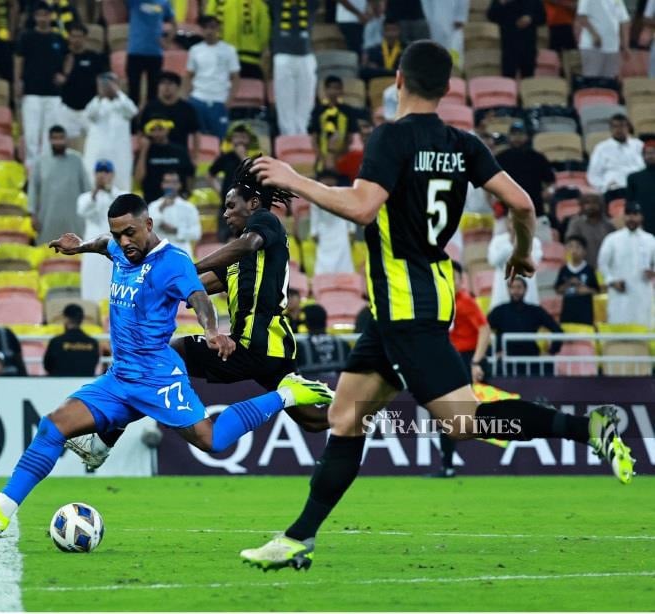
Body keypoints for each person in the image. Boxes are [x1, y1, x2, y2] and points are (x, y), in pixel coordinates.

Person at [238, 39, 634, 571]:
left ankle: (587, 427)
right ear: (447, 88)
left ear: (397, 80)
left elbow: (361, 208)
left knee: (463, 424)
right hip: (410, 304)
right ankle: (297, 539)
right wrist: (520, 253)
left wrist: (295, 179)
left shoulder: (391, 138)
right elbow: (521, 202)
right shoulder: (462, 143)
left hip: (406, 308)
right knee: (346, 416)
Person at [0, 193, 334, 534]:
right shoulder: (119, 247)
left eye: (130, 232)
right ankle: (3, 508)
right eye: (118, 233)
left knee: (212, 440)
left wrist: (213, 329)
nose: (123, 241)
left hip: (156, 376)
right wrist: (80, 246)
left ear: (148, 225)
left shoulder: (174, 261)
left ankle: (286, 395)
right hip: (120, 377)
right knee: (54, 426)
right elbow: (105, 245)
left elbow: (199, 297)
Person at [66, 159, 331, 471]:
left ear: (254, 204)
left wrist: (183, 268)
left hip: (259, 344)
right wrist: (166, 285)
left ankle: (103, 441)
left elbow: (241, 247)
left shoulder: (264, 225)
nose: (226, 213)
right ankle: (364, 415)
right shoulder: (241, 260)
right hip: (262, 348)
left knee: (162, 358)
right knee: (313, 420)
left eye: (231, 206)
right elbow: (199, 287)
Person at [434, 260, 492, 478]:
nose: (449, 280)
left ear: (461, 280)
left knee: (459, 416)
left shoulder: (465, 301)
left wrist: (476, 362)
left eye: (453, 276)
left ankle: (449, 466)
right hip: (450, 361)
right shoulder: (442, 301)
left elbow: (485, 330)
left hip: (465, 361)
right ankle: (447, 466)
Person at [15, 2, 69, 165]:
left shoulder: (58, 38)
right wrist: (18, 81)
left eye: (46, 14)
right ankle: (31, 167)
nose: (43, 18)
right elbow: (19, 59)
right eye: (39, 15)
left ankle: (48, 165)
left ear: (51, 16)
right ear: (35, 17)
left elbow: (69, 56)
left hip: (53, 94)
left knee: (49, 134)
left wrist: (64, 74)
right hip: (31, 92)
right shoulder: (27, 37)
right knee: (31, 133)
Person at [488, 277, 563, 376]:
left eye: (519, 287)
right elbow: (481, 331)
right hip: (505, 362)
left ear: (525, 289)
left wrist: (551, 351)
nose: (515, 291)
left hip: (531, 361)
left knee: (547, 366)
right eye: (512, 287)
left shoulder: (535, 311)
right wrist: (493, 352)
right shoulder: (499, 311)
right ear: (508, 290)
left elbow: (558, 331)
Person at [597, 202, 655, 327]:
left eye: (635, 215)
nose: (631, 218)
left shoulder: (650, 239)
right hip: (620, 294)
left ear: (641, 217)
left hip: (643, 292)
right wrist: (612, 281)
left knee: (643, 328)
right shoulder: (612, 239)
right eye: (628, 214)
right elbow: (602, 264)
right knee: (620, 330)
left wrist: (653, 272)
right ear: (624, 217)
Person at [29, 125, 90, 243]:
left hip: (74, 218)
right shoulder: (40, 162)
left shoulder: (76, 160)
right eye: (55, 138)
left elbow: (87, 189)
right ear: (50, 140)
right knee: (47, 251)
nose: (58, 142)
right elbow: (33, 189)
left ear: (66, 139)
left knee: (75, 250)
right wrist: (32, 214)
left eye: (61, 138)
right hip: (47, 218)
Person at [267, 0, 318, 136]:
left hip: (306, 56)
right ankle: (287, 136)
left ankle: (302, 134)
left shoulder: (310, 3)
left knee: (306, 101)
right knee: (284, 101)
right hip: (283, 55)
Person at [185, 15, 240, 139]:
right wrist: (186, 98)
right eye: (205, 28)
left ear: (218, 29)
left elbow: (235, 77)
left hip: (219, 100)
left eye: (212, 27)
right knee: (197, 138)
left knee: (221, 139)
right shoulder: (195, 50)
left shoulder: (229, 50)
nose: (209, 31)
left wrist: (229, 101)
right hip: (197, 99)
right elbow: (189, 75)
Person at [78, 160, 125, 302]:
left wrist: (108, 191)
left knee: (114, 281)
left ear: (112, 175)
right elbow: (83, 211)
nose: (102, 175)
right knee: (91, 280)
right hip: (92, 246)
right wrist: (95, 193)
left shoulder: (122, 195)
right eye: (99, 172)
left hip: (116, 247)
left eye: (106, 172)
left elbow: (125, 210)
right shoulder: (86, 197)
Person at [82, 72, 137, 191]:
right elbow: (90, 115)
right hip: (97, 151)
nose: (107, 86)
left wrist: (117, 93)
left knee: (121, 185)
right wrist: (101, 96)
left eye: (110, 82)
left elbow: (132, 112)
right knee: (92, 182)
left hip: (120, 152)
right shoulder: (96, 103)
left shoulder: (123, 102)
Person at [208, 122, 259, 240]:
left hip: (249, 208)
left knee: (248, 242)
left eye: (243, 137)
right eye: (236, 137)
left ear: (250, 139)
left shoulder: (257, 157)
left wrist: (243, 157)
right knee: (225, 243)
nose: (239, 140)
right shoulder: (226, 157)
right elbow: (210, 174)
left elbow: (256, 175)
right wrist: (219, 190)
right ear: (231, 139)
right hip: (227, 207)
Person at [495, 120, 555, 220]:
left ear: (527, 136)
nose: (517, 138)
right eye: (514, 134)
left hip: (535, 211)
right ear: (509, 136)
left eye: (521, 134)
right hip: (507, 213)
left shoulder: (538, 158)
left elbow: (551, 182)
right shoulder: (500, 158)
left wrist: (549, 191)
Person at [309, 76, 369, 174]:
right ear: (325, 90)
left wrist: (339, 157)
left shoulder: (348, 111)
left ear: (342, 90)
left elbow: (350, 138)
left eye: (337, 88)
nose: (334, 91)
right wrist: (321, 158)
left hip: (342, 156)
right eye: (331, 88)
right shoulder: (317, 111)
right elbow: (314, 138)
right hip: (322, 158)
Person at [60, 22, 109, 138]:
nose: (76, 39)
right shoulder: (63, 57)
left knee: (94, 141)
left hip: (89, 109)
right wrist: (66, 71)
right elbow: (58, 80)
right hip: (67, 109)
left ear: (85, 38)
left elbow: (101, 80)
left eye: (79, 36)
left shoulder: (95, 57)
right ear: (69, 38)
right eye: (73, 36)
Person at [138, 71, 200, 159]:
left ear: (178, 87)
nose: (166, 87)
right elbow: (141, 132)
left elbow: (196, 134)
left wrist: (195, 157)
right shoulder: (150, 107)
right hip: (154, 155)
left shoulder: (187, 108)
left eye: (170, 83)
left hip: (180, 155)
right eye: (162, 83)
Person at [204, 0, 271, 78]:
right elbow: (264, 30)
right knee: (250, 88)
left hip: (222, 58)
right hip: (250, 58)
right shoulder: (258, 3)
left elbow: (208, 25)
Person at [126, 0, 176, 105]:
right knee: (133, 91)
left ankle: (151, 118)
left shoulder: (164, 2)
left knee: (153, 92)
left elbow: (174, 23)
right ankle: (133, 120)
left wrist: (167, 41)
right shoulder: (134, 2)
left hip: (155, 53)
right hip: (135, 51)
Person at [135, 118, 195, 204]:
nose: (157, 133)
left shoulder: (179, 151)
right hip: (151, 201)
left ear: (168, 129)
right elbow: (138, 178)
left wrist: (187, 193)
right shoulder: (145, 152)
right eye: (153, 130)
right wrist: (144, 150)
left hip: (177, 200)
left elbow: (190, 174)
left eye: (160, 129)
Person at [586, 114, 645, 202]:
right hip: (615, 190)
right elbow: (593, 174)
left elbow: (647, 167)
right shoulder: (602, 148)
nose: (619, 130)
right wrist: (604, 187)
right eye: (615, 126)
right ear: (610, 129)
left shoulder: (638, 145)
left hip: (639, 188)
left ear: (628, 127)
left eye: (622, 126)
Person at [487, 221, 543, 310]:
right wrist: (510, 244)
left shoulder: (535, 242)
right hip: (502, 295)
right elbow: (493, 261)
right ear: (508, 224)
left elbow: (533, 265)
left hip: (528, 297)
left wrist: (520, 243)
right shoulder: (498, 241)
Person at [311, 171, 356, 275]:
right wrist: (314, 232)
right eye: (325, 179)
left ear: (335, 181)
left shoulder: (343, 195)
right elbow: (315, 215)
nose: (328, 181)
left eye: (330, 179)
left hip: (341, 230)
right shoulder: (315, 196)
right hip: (324, 233)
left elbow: (349, 212)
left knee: (344, 259)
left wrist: (351, 229)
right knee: (323, 260)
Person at [487, 0, 546, 78]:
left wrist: (530, 19)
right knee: (508, 79)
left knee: (528, 79)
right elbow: (491, 16)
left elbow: (543, 18)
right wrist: (500, 3)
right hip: (509, 45)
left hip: (528, 45)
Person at [148, 171, 202, 257]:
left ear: (179, 185)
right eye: (167, 182)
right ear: (162, 185)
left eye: (174, 182)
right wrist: (161, 208)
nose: (170, 186)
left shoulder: (189, 207)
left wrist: (176, 231)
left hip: (182, 251)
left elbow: (196, 234)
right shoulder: (153, 206)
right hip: (158, 253)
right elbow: (147, 229)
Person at [296, 304, 351, 381]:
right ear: (325, 321)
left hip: (311, 391)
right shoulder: (343, 344)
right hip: (340, 390)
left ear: (306, 323)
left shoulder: (300, 347)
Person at [576, 0, 630, 78]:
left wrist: (626, 45)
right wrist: (594, 35)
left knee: (609, 80)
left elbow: (624, 20)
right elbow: (582, 16)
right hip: (592, 46)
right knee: (592, 79)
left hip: (612, 47)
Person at [43, 304, 100, 376]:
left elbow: (47, 366)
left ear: (66, 319)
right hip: (85, 384)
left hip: (59, 384)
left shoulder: (56, 342)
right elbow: (93, 364)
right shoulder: (93, 343)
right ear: (81, 320)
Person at [556, 235, 600, 325]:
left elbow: (596, 290)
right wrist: (568, 283)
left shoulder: (589, 269)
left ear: (584, 251)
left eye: (577, 247)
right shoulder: (564, 269)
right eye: (570, 246)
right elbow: (558, 289)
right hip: (567, 312)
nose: (574, 250)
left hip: (585, 312)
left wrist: (584, 289)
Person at [563, 192, 614, 267]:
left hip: (604, 268)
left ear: (601, 205)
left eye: (594, 203)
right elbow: (570, 246)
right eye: (587, 203)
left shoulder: (608, 224)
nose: (591, 206)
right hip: (582, 269)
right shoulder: (576, 223)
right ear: (582, 205)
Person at [626, 138, 655, 234]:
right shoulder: (634, 177)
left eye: (653, 153)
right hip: (644, 222)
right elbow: (630, 203)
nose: (650, 156)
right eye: (647, 153)